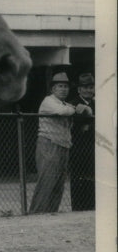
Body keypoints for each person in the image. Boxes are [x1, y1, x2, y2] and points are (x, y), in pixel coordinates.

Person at [28, 70, 91, 214]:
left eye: (66, 86)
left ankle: (51, 212)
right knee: (47, 181)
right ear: (53, 89)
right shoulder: (49, 101)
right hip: (49, 144)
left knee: (58, 183)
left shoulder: (65, 104)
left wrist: (77, 108)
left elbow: (85, 110)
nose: (63, 89)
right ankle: (36, 213)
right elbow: (63, 112)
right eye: (60, 86)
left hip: (63, 145)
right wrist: (76, 108)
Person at [69, 72, 95, 210]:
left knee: (93, 179)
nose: (88, 90)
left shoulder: (98, 104)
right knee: (79, 178)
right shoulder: (74, 104)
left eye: (90, 87)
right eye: (84, 87)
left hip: (95, 148)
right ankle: (78, 208)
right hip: (79, 148)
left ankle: (92, 207)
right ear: (79, 89)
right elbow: (78, 128)